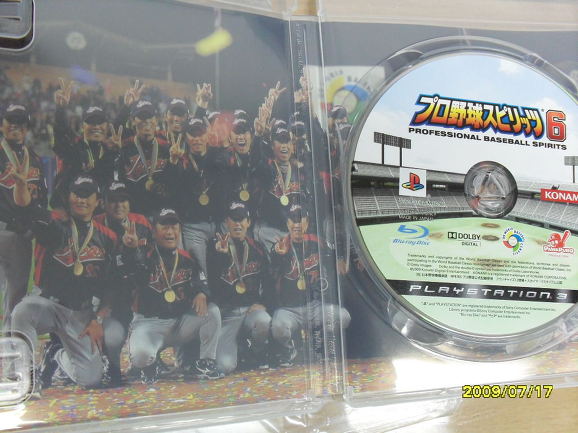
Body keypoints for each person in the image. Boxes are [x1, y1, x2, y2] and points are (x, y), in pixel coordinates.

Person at [11, 175, 127, 390]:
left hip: (81, 313)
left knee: (91, 380)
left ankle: (56, 355)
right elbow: (27, 209)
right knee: (22, 311)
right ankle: (25, 374)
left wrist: (98, 319)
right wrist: (20, 187)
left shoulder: (108, 237)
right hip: (50, 305)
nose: (81, 200)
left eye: (87, 195)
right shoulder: (55, 225)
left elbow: (112, 284)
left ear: (97, 201)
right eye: (77, 194)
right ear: (69, 198)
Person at [127, 208, 222, 384]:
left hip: (179, 323)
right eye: (164, 227)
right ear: (154, 232)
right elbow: (134, 276)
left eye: (174, 227)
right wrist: (132, 251)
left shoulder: (187, 258)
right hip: (150, 324)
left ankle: (206, 362)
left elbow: (202, 283)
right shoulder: (144, 256)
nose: (170, 232)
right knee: (141, 357)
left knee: (212, 311)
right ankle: (150, 365)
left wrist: (202, 292)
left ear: (179, 230)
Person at [270, 204, 350, 366]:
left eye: (301, 219)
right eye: (293, 220)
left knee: (343, 316)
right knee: (278, 327)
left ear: (307, 223)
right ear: (287, 223)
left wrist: (339, 259)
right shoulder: (280, 245)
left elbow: (334, 256)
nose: (297, 224)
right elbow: (271, 273)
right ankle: (290, 350)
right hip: (289, 309)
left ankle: (318, 340)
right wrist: (279, 256)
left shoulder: (317, 242)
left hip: (314, 306)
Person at [208, 202, 273, 374]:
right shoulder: (215, 246)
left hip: (249, 311)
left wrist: (264, 303)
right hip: (227, 314)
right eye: (233, 219)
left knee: (263, 320)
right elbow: (211, 284)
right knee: (225, 366)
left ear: (248, 222)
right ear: (226, 222)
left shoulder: (257, 248)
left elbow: (269, 280)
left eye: (241, 219)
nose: (238, 224)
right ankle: (240, 348)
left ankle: (256, 353)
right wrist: (219, 257)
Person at [0, 104, 47, 329]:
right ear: (2, 125)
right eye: (11, 121)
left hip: (21, 236)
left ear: (27, 128)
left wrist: (34, 227)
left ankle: (9, 341)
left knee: (17, 293)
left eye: (20, 122)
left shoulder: (34, 158)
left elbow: (42, 197)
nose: (15, 126)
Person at [166, 117, 229, 274]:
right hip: (193, 226)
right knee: (200, 273)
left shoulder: (218, 155)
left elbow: (234, 172)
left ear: (207, 135)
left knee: (226, 270)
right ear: (186, 137)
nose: (197, 139)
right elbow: (170, 190)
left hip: (219, 224)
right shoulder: (179, 159)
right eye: (192, 134)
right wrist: (172, 163)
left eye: (200, 134)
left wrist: (224, 145)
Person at [51, 78, 116, 208]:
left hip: (99, 212)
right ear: (82, 127)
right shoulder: (74, 147)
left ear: (106, 126)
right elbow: (61, 136)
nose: (96, 126)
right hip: (70, 211)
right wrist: (60, 110)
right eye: (91, 122)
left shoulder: (109, 151)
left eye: (100, 122)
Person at [117, 99, 172, 215]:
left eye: (150, 116)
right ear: (133, 121)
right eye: (141, 117)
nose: (146, 120)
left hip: (162, 214)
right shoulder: (125, 148)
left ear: (156, 120)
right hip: (135, 215)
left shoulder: (166, 148)